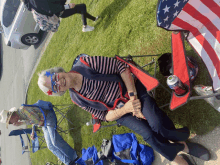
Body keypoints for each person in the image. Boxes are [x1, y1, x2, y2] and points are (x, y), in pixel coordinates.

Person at [38, 55, 211, 165]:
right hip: (121, 111)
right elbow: (104, 116)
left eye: (54, 78)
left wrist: (133, 98)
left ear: (56, 72)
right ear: (57, 92)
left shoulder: (86, 64)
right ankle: (182, 155)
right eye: (54, 86)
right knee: (148, 134)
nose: (58, 82)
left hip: (133, 89)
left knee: (157, 124)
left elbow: (121, 67)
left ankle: (182, 141)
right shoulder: (76, 98)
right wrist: (127, 109)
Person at [0, 106, 77, 165]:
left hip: (48, 116)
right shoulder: (20, 116)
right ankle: (69, 162)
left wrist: (22, 123)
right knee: (50, 145)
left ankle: (74, 156)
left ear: (11, 117)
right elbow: (34, 122)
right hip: (44, 123)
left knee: (54, 141)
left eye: (10, 122)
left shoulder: (23, 110)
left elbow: (37, 120)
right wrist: (32, 131)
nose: (12, 124)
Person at [24, 0, 98, 32]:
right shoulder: (35, 1)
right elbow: (51, 9)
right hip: (60, 11)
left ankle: (94, 19)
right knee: (82, 7)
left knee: (80, 9)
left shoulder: (30, 2)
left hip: (59, 9)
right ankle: (85, 27)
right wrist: (68, 6)